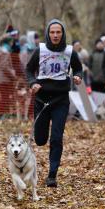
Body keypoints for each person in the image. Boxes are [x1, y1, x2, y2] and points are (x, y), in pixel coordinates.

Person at [25, 19, 83, 187]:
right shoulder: (40, 50)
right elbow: (29, 69)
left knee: (57, 138)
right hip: (42, 99)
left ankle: (52, 175)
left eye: (58, 32)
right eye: (52, 32)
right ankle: (42, 139)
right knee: (41, 139)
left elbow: (78, 68)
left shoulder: (70, 51)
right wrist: (32, 83)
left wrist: (78, 76)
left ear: (63, 33)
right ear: (48, 34)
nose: (55, 35)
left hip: (60, 100)